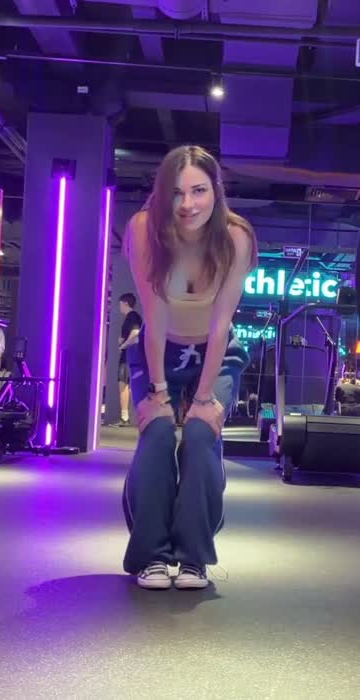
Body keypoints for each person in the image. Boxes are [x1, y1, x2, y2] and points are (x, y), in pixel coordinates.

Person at [121, 145, 257, 590]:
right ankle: (151, 556)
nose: (187, 204)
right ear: (163, 194)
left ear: (216, 190)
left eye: (199, 191)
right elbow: (154, 317)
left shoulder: (236, 237)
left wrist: (203, 399)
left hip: (215, 351)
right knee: (158, 432)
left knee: (201, 434)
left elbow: (221, 324)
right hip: (156, 348)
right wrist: (159, 393)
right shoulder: (144, 230)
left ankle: (194, 557)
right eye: (177, 193)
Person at [112, 293, 142, 427]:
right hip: (130, 355)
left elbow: (135, 334)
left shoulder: (132, 316)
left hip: (129, 355)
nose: (119, 307)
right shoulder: (132, 317)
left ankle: (125, 417)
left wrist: (123, 345)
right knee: (126, 384)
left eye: (120, 304)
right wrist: (122, 341)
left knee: (123, 383)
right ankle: (125, 416)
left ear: (125, 303)